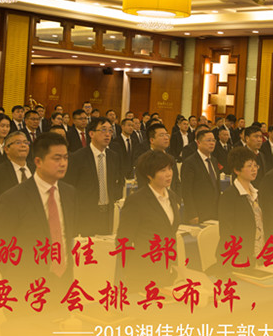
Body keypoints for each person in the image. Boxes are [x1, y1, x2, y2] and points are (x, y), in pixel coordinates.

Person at [0, 132, 77, 293]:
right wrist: (16, 284)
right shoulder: (13, 198)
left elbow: (66, 236)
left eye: (65, 158)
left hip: (64, 282)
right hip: (28, 286)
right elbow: (1, 248)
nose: (63, 163)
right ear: (38, 161)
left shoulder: (69, 192)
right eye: (56, 158)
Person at [116, 150, 181, 287]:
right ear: (149, 175)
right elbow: (123, 241)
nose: (169, 174)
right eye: (162, 170)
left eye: (170, 168)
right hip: (143, 272)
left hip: (168, 269)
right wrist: (131, 270)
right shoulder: (136, 201)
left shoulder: (172, 197)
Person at [63, 117, 122, 236]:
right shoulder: (78, 157)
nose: (107, 134)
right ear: (91, 134)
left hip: (107, 214)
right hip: (85, 215)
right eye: (103, 130)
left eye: (110, 131)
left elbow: (117, 181)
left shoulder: (113, 156)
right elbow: (69, 187)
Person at [216, 146, 264, 271]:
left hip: (258, 254)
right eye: (249, 166)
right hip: (238, 258)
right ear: (237, 170)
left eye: (255, 165)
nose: (254, 169)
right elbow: (227, 232)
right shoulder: (229, 196)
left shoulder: (256, 193)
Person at [181, 129, 220, 224]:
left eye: (213, 140)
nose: (212, 143)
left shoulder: (214, 161)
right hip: (198, 213)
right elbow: (186, 191)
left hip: (214, 212)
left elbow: (216, 187)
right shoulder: (190, 162)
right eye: (208, 140)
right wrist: (192, 214)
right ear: (198, 142)